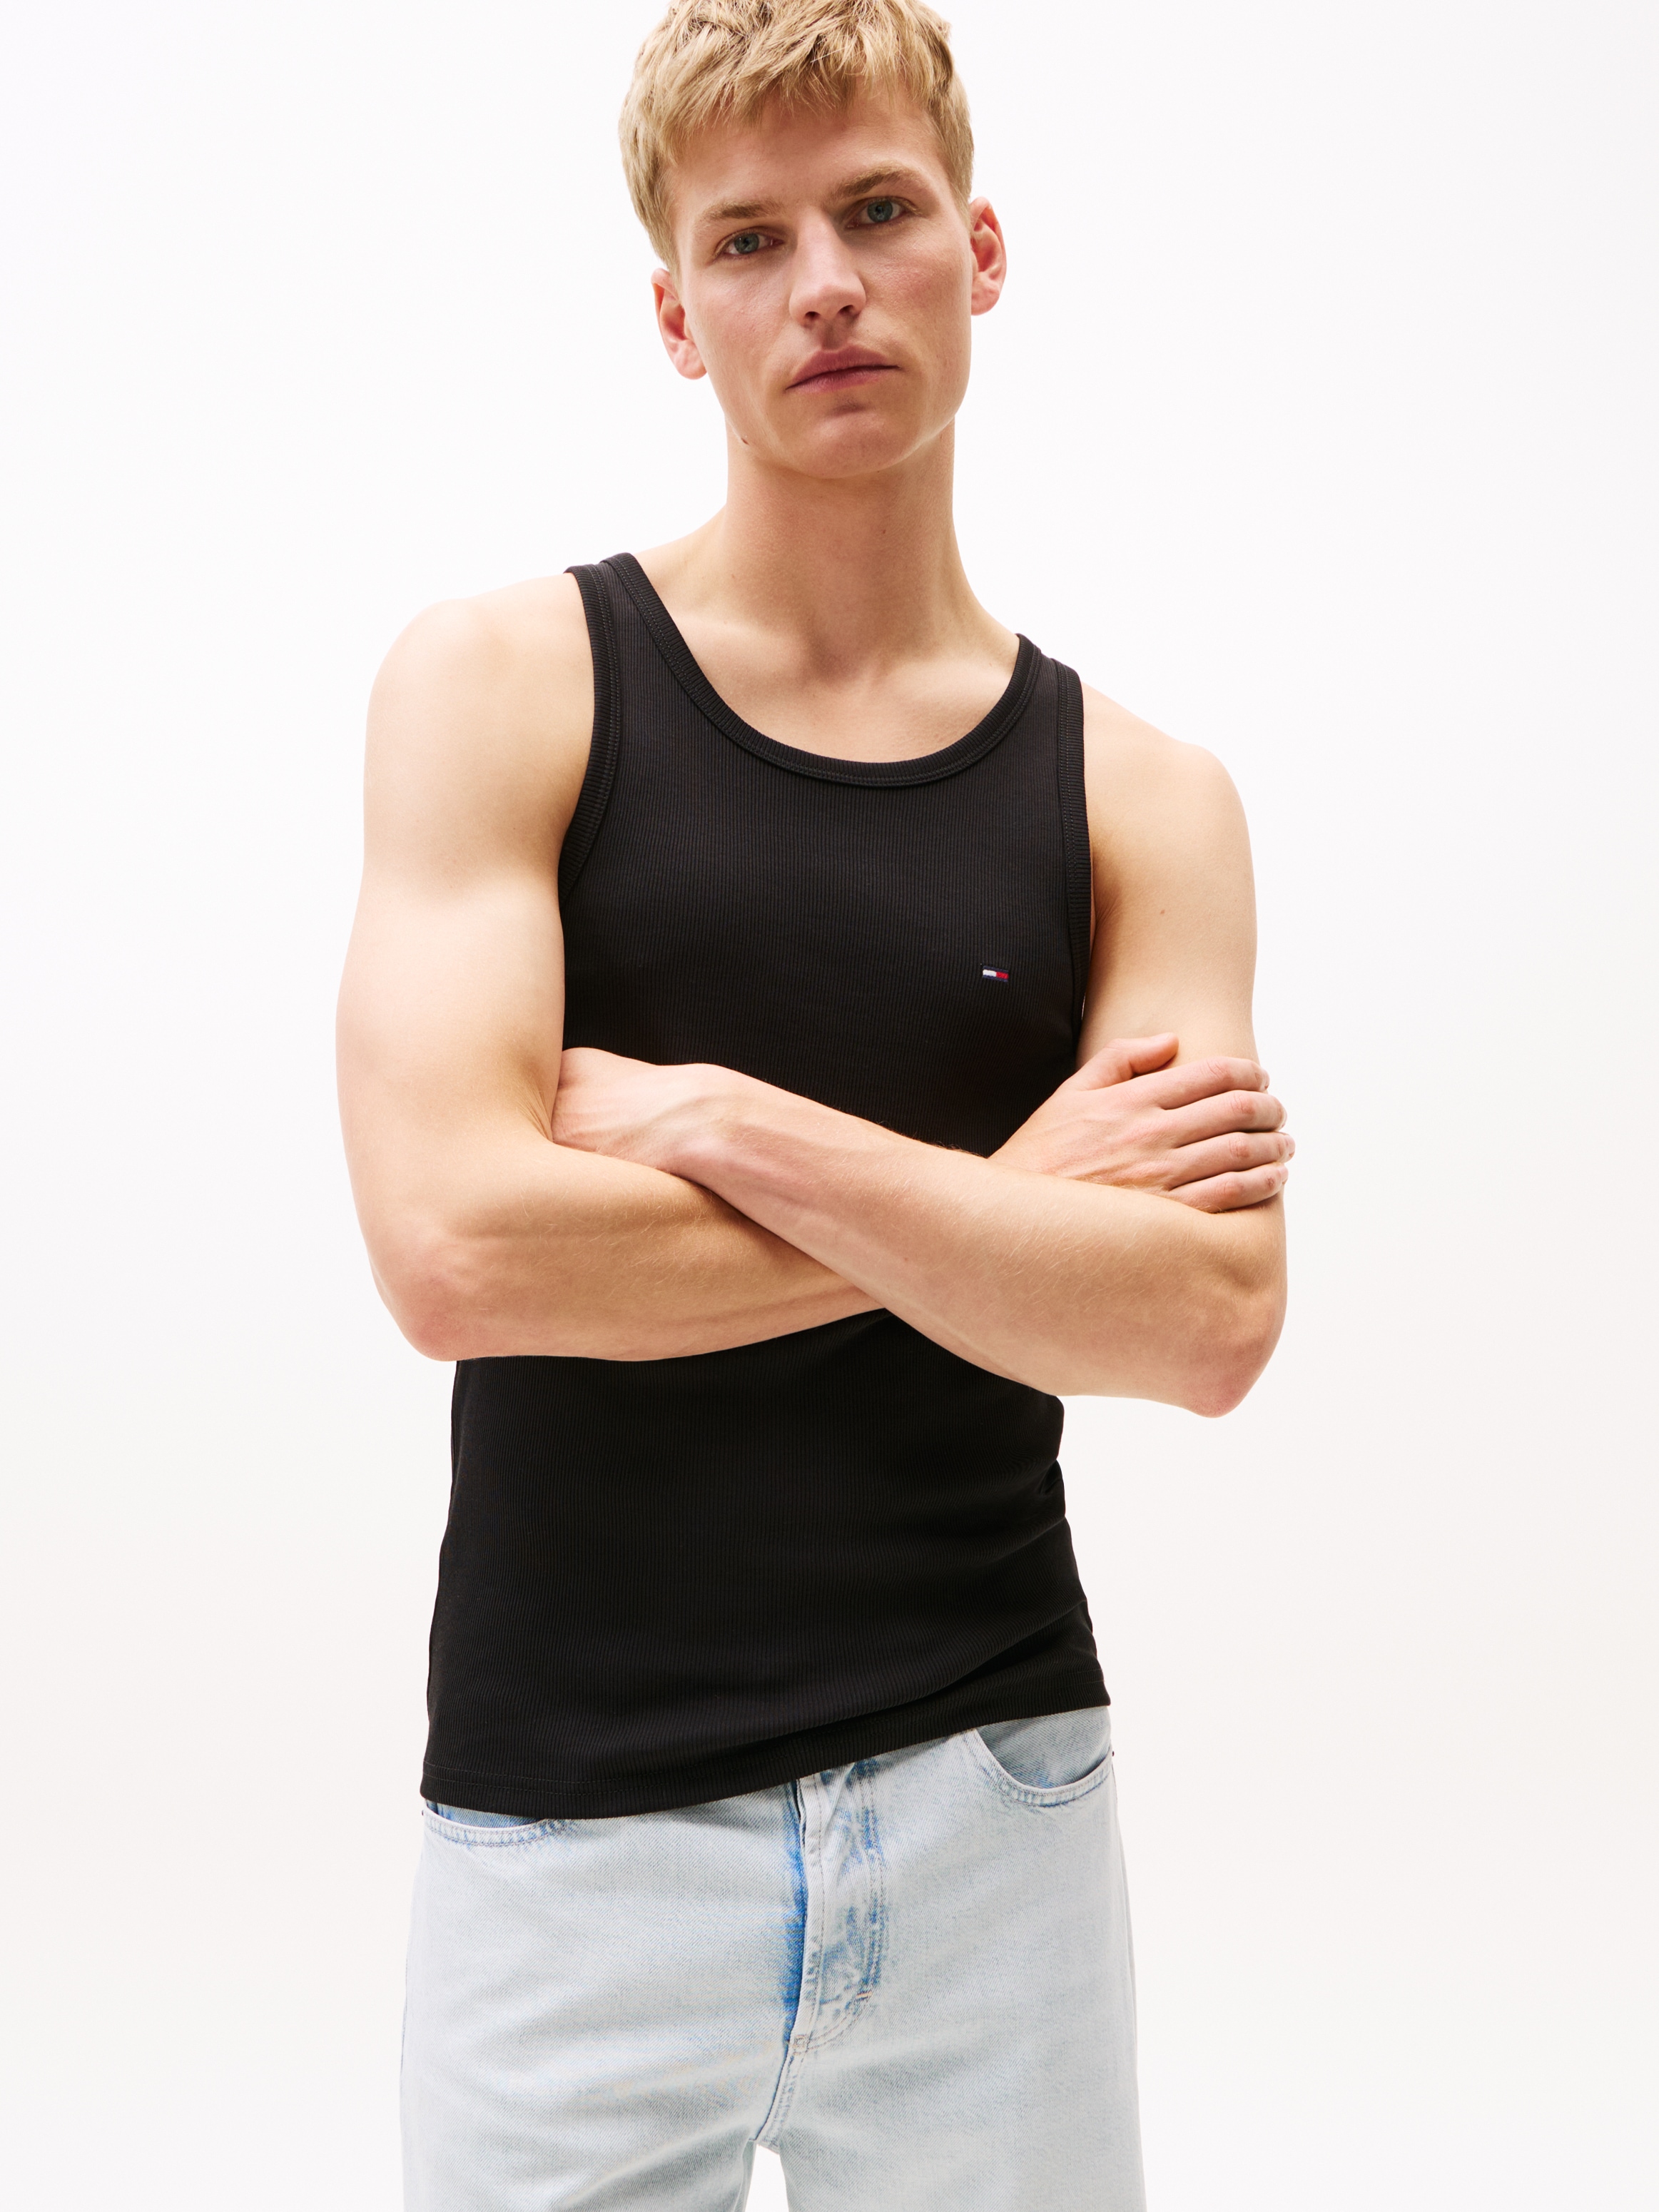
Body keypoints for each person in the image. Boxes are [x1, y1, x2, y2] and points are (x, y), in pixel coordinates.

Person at [336, 4, 1291, 2205]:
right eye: (750, 241)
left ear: (982, 247)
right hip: (576, 1838)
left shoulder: (1144, 797)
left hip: (995, 1806)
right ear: (678, 315)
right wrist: (1012, 1202)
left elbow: (1203, 1318)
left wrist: (718, 1121)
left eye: (876, 212)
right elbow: (460, 1249)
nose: (827, 285)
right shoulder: (507, 685)